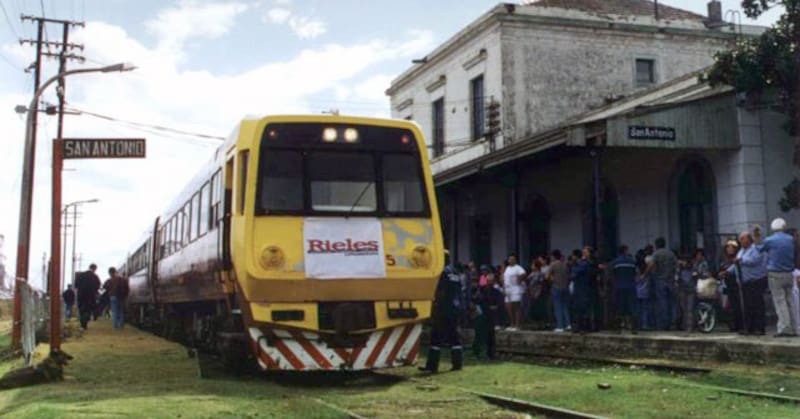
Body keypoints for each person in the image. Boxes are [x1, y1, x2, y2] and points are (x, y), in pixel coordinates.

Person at [420, 262, 464, 373]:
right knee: (455, 337)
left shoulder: (442, 273)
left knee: (436, 337)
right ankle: (457, 364)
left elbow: (441, 291)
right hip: (455, 308)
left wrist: (435, 304)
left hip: (443, 309)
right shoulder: (456, 274)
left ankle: (432, 366)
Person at [759, 218, 798, 337]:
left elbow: (760, 249)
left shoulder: (769, 240)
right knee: (790, 300)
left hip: (775, 273)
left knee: (779, 301)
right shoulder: (791, 239)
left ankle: (784, 328)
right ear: (784, 227)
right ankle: (794, 327)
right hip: (789, 272)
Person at [734, 231, 767, 335]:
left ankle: (759, 328)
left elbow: (754, 260)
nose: (741, 241)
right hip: (744, 282)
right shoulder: (741, 251)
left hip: (755, 281)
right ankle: (749, 327)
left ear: (748, 239)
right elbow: (736, 263)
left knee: (757, 304)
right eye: (740, 240)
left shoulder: (755, 249)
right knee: (747, 305)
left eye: (743, 239)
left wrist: (741, 260)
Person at [651, 237, 677, 331]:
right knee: (672, 302)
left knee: (662, 302)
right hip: (670, 280)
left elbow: (653, 266)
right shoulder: (671, 254)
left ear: (657, 245)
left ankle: (663, 323)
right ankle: (672, 321)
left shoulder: (656, 254)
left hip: (660, 280)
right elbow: (676, 265)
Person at [610, 245, 637, 333]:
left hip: (619, 287)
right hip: (631, 286)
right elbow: (635, 274)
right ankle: (633, 328)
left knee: (620, 307)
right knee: (632, 307)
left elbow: (612, 275)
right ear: (625, 251)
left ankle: (619, 328)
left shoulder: (615, 262)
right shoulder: (632, 261)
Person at [719, 240, 744, 332]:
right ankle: (731, 324)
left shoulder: (737, 258)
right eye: (728, 247)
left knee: (738, 305)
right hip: (726, 284)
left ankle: (739, 324)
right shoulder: (724, 259)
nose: (730, 249)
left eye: (732, 247)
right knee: (728, 306)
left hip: (736, 284)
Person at [570, 247, 594, 333]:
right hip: (580, 288)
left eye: (586, 252)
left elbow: (575, 273)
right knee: (579, 308)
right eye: (583, 252)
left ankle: (584, 327)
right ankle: (580, 326)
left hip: (584, 288)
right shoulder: (583, 263)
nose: (584, 254)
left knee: (583, 308)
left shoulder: (585, 264)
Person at [502, 254, 526, 331]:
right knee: (508, 307)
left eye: (512, 259)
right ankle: (512, 324)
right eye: (509, 259)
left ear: (515, 260)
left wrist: (519, 280)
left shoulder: (518, 268)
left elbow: (523, 274)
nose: (510, 260)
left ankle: (517, 325)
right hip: (508, 289)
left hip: (515, 289)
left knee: (516, 307)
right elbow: (504, 279)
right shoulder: (507, 268)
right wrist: (504, 288)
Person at [549, 250, 571, 332]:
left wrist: (553, 279)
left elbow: (547, 276)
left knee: (558, 306)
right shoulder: (565, 265)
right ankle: (568, 324)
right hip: (565, 287)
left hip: (556, 286)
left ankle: (560, 326)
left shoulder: (553, 264)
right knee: (565, 306)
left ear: (554, 256)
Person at [74, 264, 101, 330]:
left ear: (89, 267)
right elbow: (98, 286)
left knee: (81, 310)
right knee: (87, 310)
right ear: (95, 269)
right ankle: (85, 324)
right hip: (90, 297)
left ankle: (83, 324)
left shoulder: (80, 275)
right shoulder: (95, 276)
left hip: (81, 295)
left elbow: (76, 285)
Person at [676, 254, 697, 332]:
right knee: (683, 308)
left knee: (690, 309)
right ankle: (685, 325)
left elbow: (696, 277)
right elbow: (677, 279)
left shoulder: (693, 269)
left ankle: (690, 326)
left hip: (690, 290)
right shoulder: (680, 270)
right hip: (682, 290)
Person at [637, 256, 655, 330]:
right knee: (645, 310)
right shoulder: (647, 275)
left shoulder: (637, 275)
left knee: (639, 310)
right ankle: (645, 324)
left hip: (637, 293)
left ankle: (639, 324)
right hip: (645, 293)